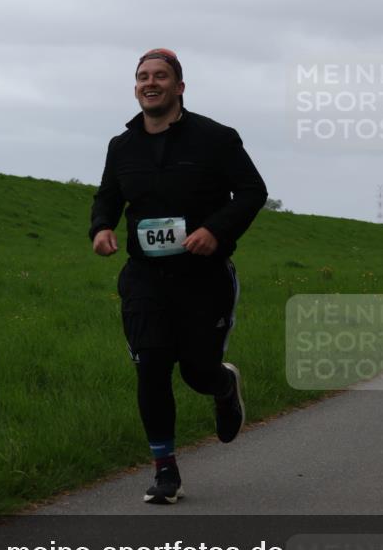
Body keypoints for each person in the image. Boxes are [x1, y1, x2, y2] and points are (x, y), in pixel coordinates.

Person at [89, 48, 268, 504]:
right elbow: (108, 196)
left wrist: (215, 230)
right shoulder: (121, 146)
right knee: (150, 366)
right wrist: (102, 227)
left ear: (179, 87)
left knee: (195, 371)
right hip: (145, 277)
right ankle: (165, 470)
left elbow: (252, 191)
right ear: (136, 87)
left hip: (203, 276)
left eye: (161, 76)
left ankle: (223, 385)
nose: (151, 83)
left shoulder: (216, 138)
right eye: (143, 76)